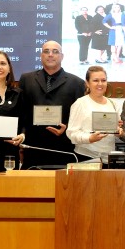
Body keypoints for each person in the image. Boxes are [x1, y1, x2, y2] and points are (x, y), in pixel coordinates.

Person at [18, 40, 86, 169]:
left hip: (63, 148)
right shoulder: (26, 79)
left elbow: (80, 117)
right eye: (46, 51)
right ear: (41, 55)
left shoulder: (77, 83)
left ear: (62, 56)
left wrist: (66, 128)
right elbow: (21, 112)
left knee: (62, 188)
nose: (50, 55)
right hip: (33, 147)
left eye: (55, 52)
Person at [66, 66, 122, 162]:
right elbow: (71, 133)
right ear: (87, 83)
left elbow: (116, 133)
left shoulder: (113, 104)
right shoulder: (80, 103)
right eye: (95, 80)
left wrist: (118, 131)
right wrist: (90, 138)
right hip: (86, 157)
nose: (100, 84)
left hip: (108, 158)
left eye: (103, 80)